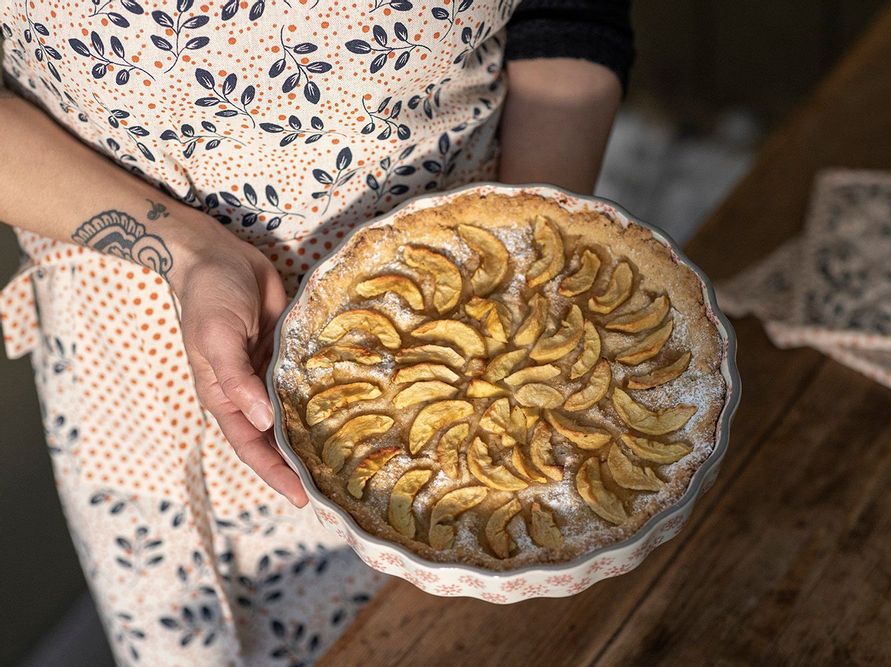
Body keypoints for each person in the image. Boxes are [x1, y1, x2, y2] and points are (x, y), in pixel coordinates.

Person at [0, 0, 632, 662]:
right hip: (151, 359)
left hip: (491, 330)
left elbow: (570, 13)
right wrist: (181, 250)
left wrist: (523, 260)